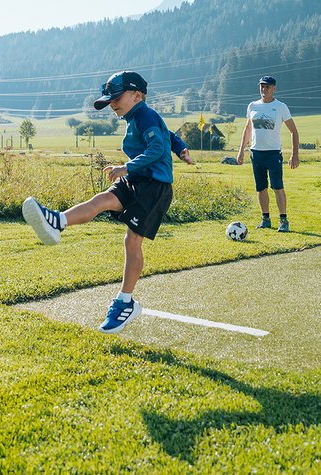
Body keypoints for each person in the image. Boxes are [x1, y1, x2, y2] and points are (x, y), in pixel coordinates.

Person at [22, 71, 194, 334]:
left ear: (137, 96)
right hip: (136, 178)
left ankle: (125, 302)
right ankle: (57, 221)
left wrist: (126, 167)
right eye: (109, 100)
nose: (112, 104)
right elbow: (167, 135)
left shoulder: (145, 116)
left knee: (132, 240)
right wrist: (181, 148)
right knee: (102, 199)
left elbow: (157, 148)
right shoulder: (138, 117)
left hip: (154, 187)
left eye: (116, 98)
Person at [236, 75, 300, 232]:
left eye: (267, 87)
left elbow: (294, 131)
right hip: (256, 153)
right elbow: (248, 129)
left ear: (274, 89)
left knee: (277, 187)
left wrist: (295, 154)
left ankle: (283, 220)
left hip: (273, 153)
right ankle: (265, 219)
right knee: (261, 188)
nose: (264, 89)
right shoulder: (252, 106)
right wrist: (241, 150)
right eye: (262, 86)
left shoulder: (281, 107)